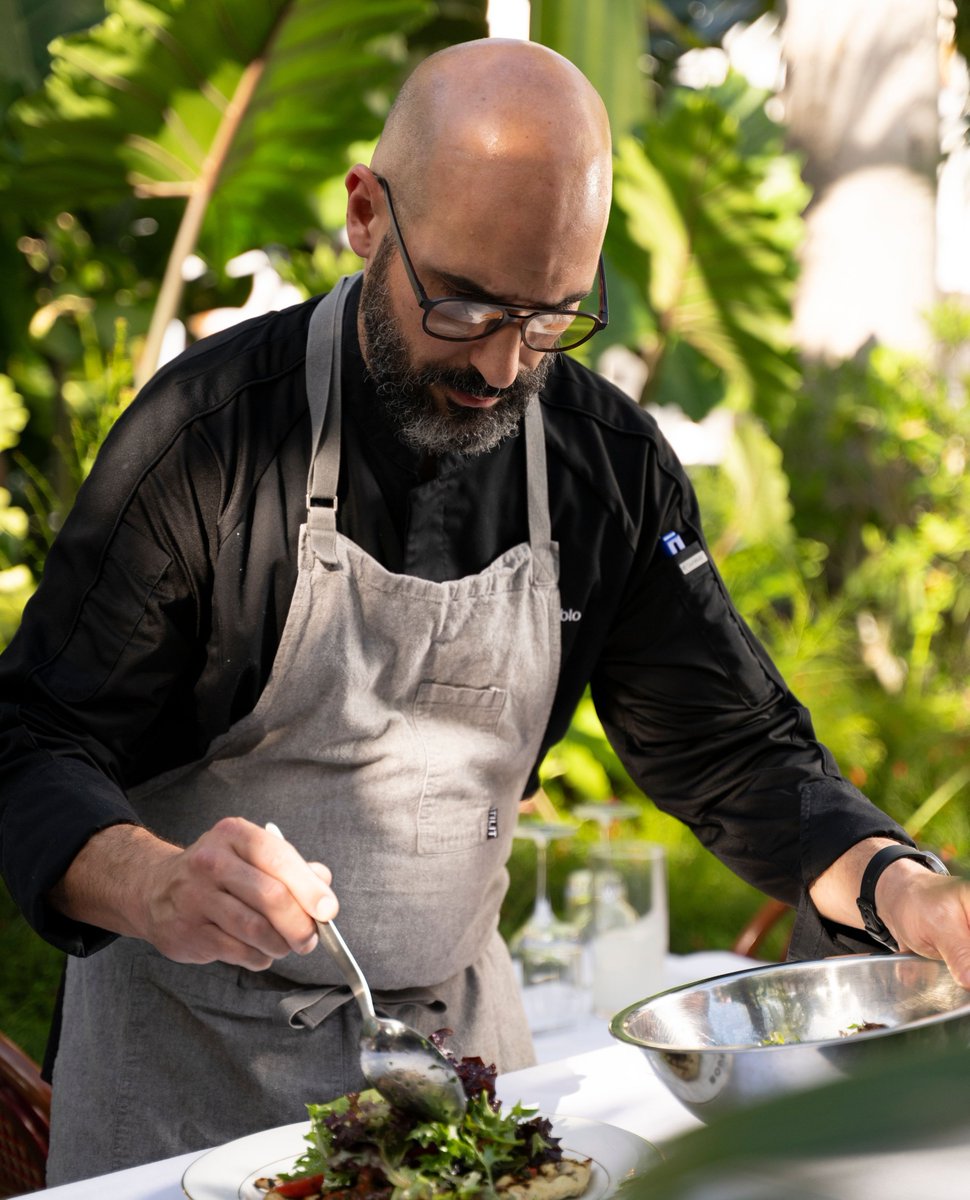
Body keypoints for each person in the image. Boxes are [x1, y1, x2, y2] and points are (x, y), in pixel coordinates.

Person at [0, 37, 967, 1184]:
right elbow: (30, 741)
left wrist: (897, 883)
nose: (504, 368)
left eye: (551, 317)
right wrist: (156, 883)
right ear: (366, 216)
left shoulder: (605, 465)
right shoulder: (208, 440)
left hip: (456, 1068)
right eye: (463, 306)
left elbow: (734, 751)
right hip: (183, 1086)